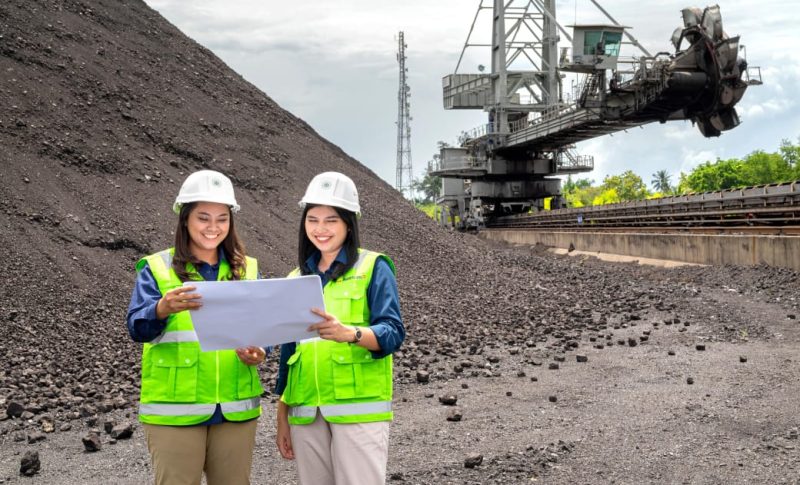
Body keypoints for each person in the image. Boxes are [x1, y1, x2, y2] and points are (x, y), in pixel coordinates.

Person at [126, 170, 266, 485]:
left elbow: (260, 329)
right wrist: (161, 308)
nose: (213, 227)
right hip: (175, 411)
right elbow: (137, 327)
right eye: (203, 218)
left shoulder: (247, 269)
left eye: (222, 219)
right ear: (185, 219)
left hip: (235, 410)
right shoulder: (157, 268)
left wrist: (259, 351)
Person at [275, 171, 405, 485]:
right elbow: (289, 352)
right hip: (306, 409)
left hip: (357, 409)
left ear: (349, 223)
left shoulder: (373, 267)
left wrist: (352, 334)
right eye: (313, 220)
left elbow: (392, 332)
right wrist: (282, 415)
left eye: (331, 220)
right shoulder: (295, 278)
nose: (320, 229)